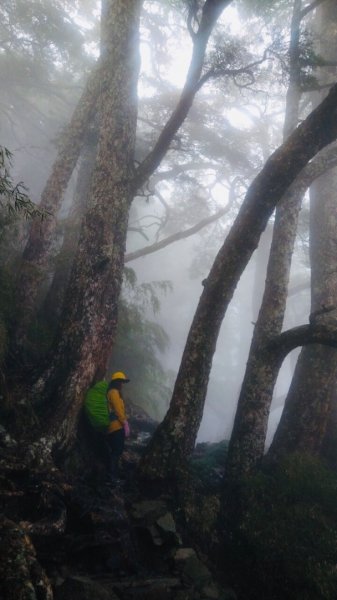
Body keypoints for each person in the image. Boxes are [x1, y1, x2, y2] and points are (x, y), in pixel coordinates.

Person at [105, 371, 131, 482]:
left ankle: (113, 475)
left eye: (123, 382)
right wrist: (125, 423)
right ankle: (112, 477)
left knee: (116, 451)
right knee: (116, 452)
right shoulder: (114, 392)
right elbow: (118, 410)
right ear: (116, 382)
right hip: (116, 427)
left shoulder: (114, 392)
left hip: (114, 426)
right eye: (120, 381)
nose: (122, 384)